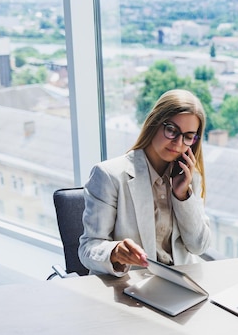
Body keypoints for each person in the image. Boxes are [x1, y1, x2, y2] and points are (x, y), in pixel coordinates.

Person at [78, 89, 211, 276]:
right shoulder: (109, 175)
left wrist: (182, 196)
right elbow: (88, 248)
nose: (179, 143)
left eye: (188, 136)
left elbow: (199, 246)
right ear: (154, 124)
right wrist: (115, 253)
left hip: (181, 283)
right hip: (130, 285)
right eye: (172, 130)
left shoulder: (190, 177)